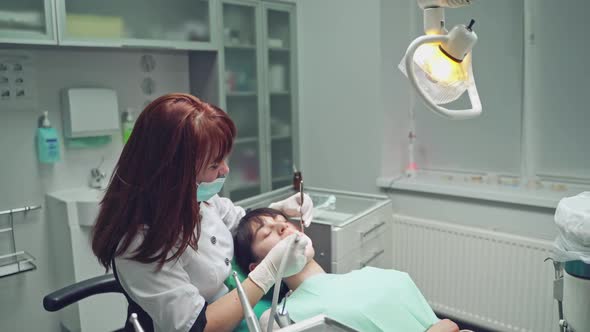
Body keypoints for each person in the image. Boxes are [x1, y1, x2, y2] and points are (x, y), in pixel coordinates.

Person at [91, 93, 314, 332]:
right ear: (173, 173)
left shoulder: (198, 200)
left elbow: (239, 221)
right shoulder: (138, 243)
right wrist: (268, 271)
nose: (225, 170)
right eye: (214, 165)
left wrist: (276, 210)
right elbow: (198, 327)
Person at [233, 208, 463, 332]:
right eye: (267, 232)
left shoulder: (367, 275)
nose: (282, 225)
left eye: (282, 220)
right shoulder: (278, 317)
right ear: (257, 267)